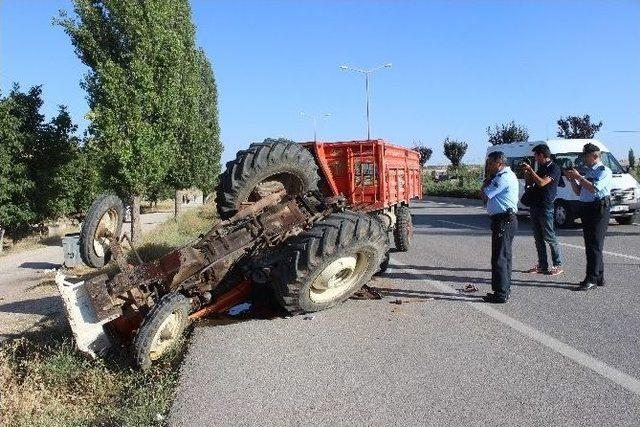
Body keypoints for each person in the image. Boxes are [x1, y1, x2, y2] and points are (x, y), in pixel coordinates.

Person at [564, 143, 612, 291]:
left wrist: (579, 176)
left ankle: (591, 279)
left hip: (598, 209)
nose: (584, 158)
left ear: (595, 156)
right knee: (591, 244)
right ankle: (599, 277)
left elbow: (593, 188)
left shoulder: (604, 171)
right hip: (588, 208)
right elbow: (579, 191)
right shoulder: (590, 171)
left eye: (586, 156)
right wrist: (572, 179)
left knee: (594, 245)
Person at [481, 151, 519, 303]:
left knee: (500, 258)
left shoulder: (503, 178)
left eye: (490, 163)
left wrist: (484, 185)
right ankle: (503, 290)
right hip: (504, 220)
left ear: (499, 163)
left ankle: (501, 293)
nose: (488, 166)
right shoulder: (502, 176)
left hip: (504, 220)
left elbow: (485, 196)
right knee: (504, 257)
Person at [521, 144, 563, 276]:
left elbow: (542, 183)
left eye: (536, 156)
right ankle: (542, 265)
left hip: (545, 207)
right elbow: (531, 183)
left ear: (541, 155)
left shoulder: (554, 168)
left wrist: (532, 171)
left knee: (550, 237)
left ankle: (557, 264)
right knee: (538, 238)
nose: (535, 158)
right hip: (535, 205)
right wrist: (528, 173)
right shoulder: (541, 168)